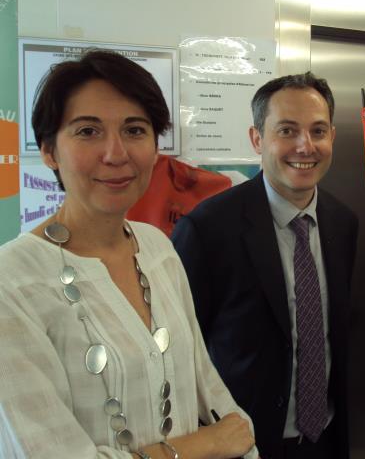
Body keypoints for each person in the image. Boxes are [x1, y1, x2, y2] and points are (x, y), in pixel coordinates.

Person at [0, 50, 258, 459]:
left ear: (155, 147)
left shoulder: (156, 247)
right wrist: (199, 446)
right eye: (87, 131)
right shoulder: (12, 281)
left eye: (135, 130)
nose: (116, 153)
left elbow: (212, 395)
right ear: (49, 150)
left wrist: (232, 435)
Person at [172, 72, 358, 459]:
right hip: (244, 444)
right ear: (257, 139)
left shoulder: (343, 223)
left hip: (325, 438)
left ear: (332, 138)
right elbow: (180, 355)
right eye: (287, 130)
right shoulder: (208, 228)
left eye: (318, 131)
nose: (305, 146)